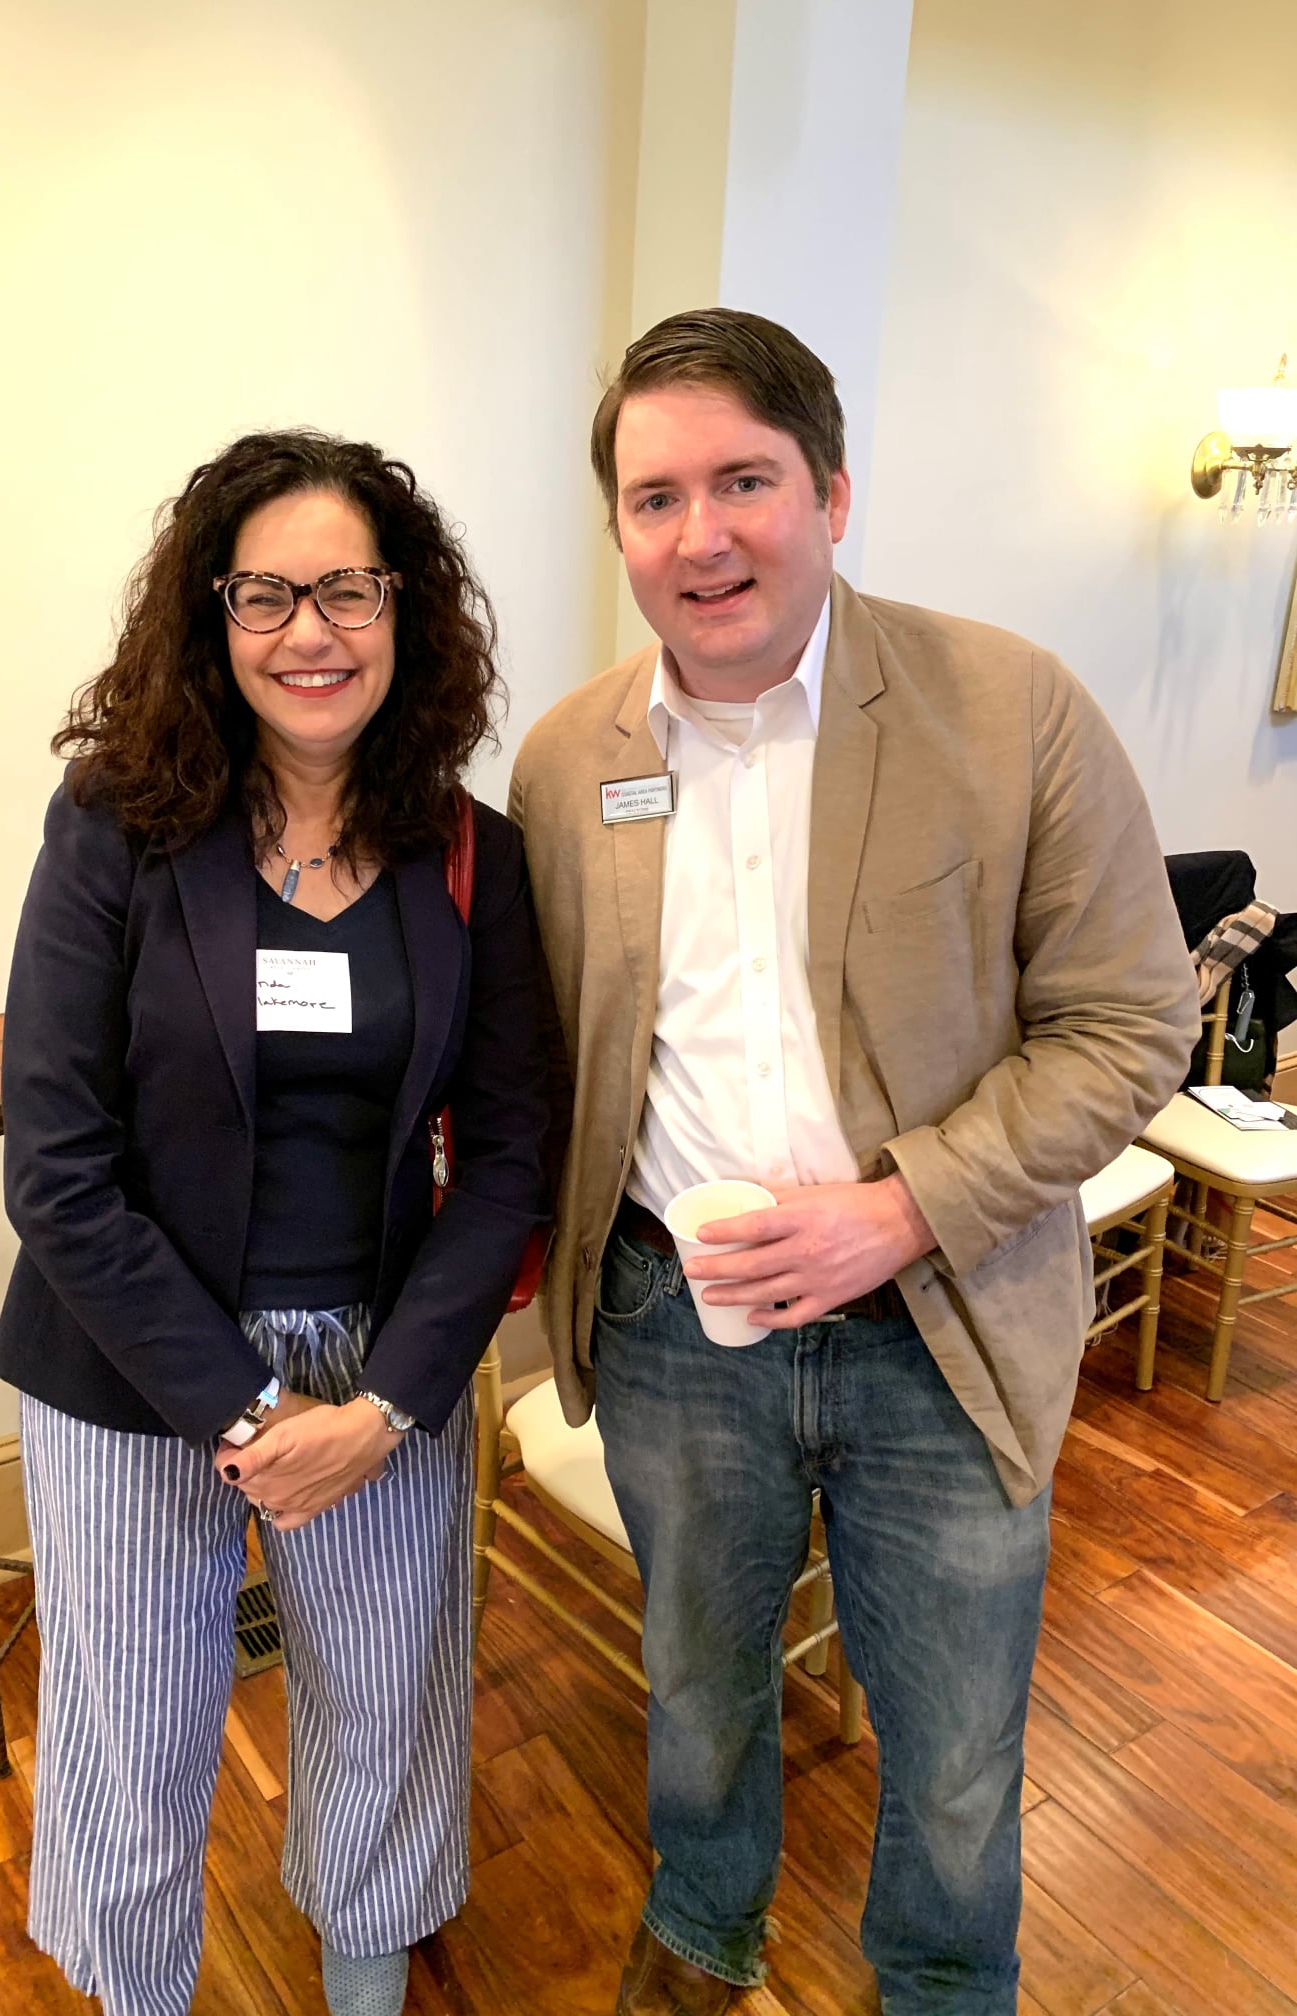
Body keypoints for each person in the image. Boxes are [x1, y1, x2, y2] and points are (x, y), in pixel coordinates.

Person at [509, 309, 1200, 2016]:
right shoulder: (568, 763)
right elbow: (545, 1053)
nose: (702, 535)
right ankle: (703, 1925)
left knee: (955, 1736)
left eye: (744, 481)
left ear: (830, 492)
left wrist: (899, 1213)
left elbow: (1131, 1027)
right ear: (619, 530)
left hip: (941, 1324)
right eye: (656, 497)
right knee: (698, 1690)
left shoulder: (1010, 708)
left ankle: (946, 1984)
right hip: (677, 1330)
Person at [0, 429, 548, 2016]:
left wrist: (382, 1408)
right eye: (266, 595)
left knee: (385, 1716)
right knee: (134, 1737)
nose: (312, 631)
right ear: (213, 618)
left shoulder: (472, 855)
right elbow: (58, 1167)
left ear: (405, 610)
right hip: (132, 1361)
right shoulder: (117, 826)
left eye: (349, 590)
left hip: (384, 1371)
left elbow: (508, 1158)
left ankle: (364, 1989)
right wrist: (246, 1414)